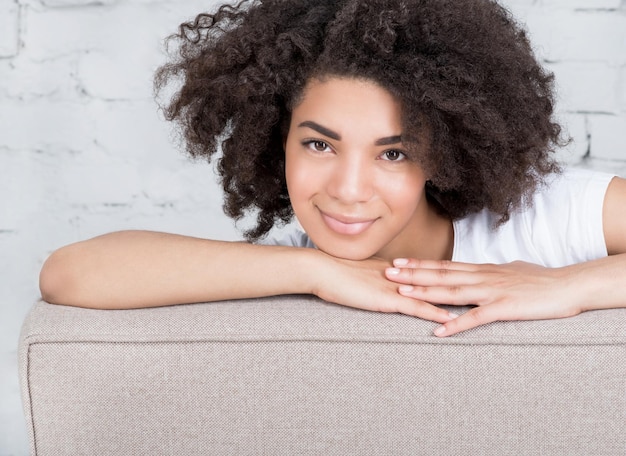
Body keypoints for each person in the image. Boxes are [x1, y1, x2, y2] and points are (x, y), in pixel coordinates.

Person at [39, 0, 626, 337]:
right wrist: (314, 272)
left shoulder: (546, 216)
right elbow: (69, 274)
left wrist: (563, 286)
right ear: (277, 142)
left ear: (444, 153)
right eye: (319, 146)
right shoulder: (299, 255)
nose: (347, 191)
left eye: (393, 153)